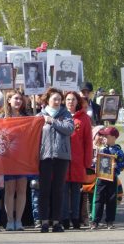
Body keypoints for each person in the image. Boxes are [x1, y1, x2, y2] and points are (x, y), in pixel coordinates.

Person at [37, 87, 74, 233]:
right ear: (48, 100)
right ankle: (44, 221)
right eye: (55, 99)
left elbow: (69, 129)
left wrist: (52, 121)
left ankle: (57, 221)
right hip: (44, 156)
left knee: (58, 190)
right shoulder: (40, 115)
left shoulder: (65, 114)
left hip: (61, 156)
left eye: (59, 99)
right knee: (44, 190)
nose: (58, 101)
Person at [61, 91, 93, 230]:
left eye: (73, 99)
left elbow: (88, 141)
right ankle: (64, 218)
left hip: (77, 160)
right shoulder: (60, 115)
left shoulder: (84, 118)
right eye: (68, 99)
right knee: (63, 190)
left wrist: (87, 162)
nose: (70, 102)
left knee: (76, 191)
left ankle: (75, 218)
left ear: (77, 101)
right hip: (62, 159)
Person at [90, 127, 124, 230]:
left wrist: (117, 166)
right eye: (103, 136)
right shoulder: (100, 149)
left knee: (111, 200)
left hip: (112, 178)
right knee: (98, 200)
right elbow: (93, 164)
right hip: (101, 178)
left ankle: (110, 221)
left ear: (114, 137)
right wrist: (94, 162)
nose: (104, 138)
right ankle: (95, 221)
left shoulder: (118, 151)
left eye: (106, 136)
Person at [3, 90, 28, 231]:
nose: (18, 101)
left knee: (21, 189)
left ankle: (19, 221)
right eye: (15, 98)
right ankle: (9, 220)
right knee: (10, 190)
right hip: (8, 157)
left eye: (20, 99)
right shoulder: (3, 117)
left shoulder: (26, 118)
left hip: (23, 157)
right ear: (9, 100)